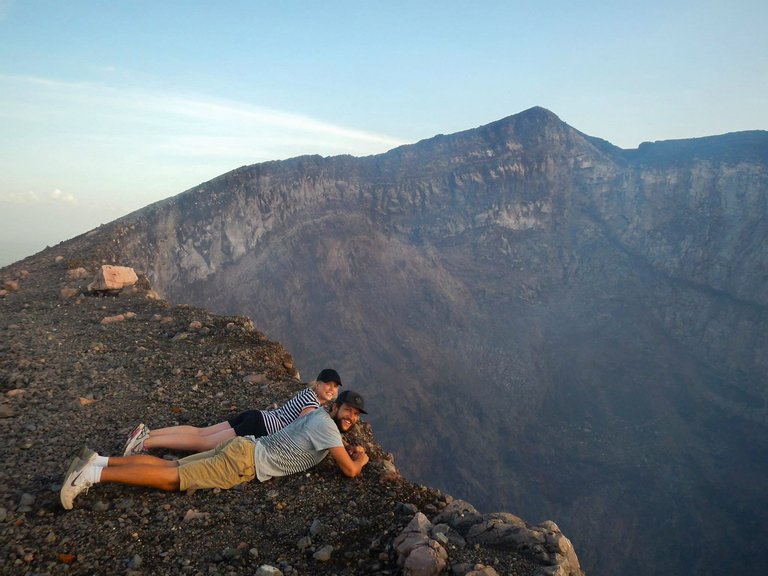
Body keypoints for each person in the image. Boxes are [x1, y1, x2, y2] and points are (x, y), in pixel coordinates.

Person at [61, 390, 370, 510]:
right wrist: (362, 457)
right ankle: (91, 475)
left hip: (244, 446)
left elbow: (320, 435)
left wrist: (342, 443)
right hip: (245, 462)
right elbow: (351, 471)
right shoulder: (329, 429)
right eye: (349, 410)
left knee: (172, 468)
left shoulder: (317, 414)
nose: (351, 417)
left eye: (355, 415)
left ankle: (99, 460)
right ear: (337, 406)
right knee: (172, 478)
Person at [122, 368, 342, 455]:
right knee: (203, 443)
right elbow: (299, 429)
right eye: (328, 384)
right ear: (318, 384)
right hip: (259, 426)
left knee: (201, 432)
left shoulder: (306, 394)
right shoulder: (313, 404)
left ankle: (148, 434)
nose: (331, 389)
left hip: (256, 416)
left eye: (335, 387)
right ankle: (147, 443)